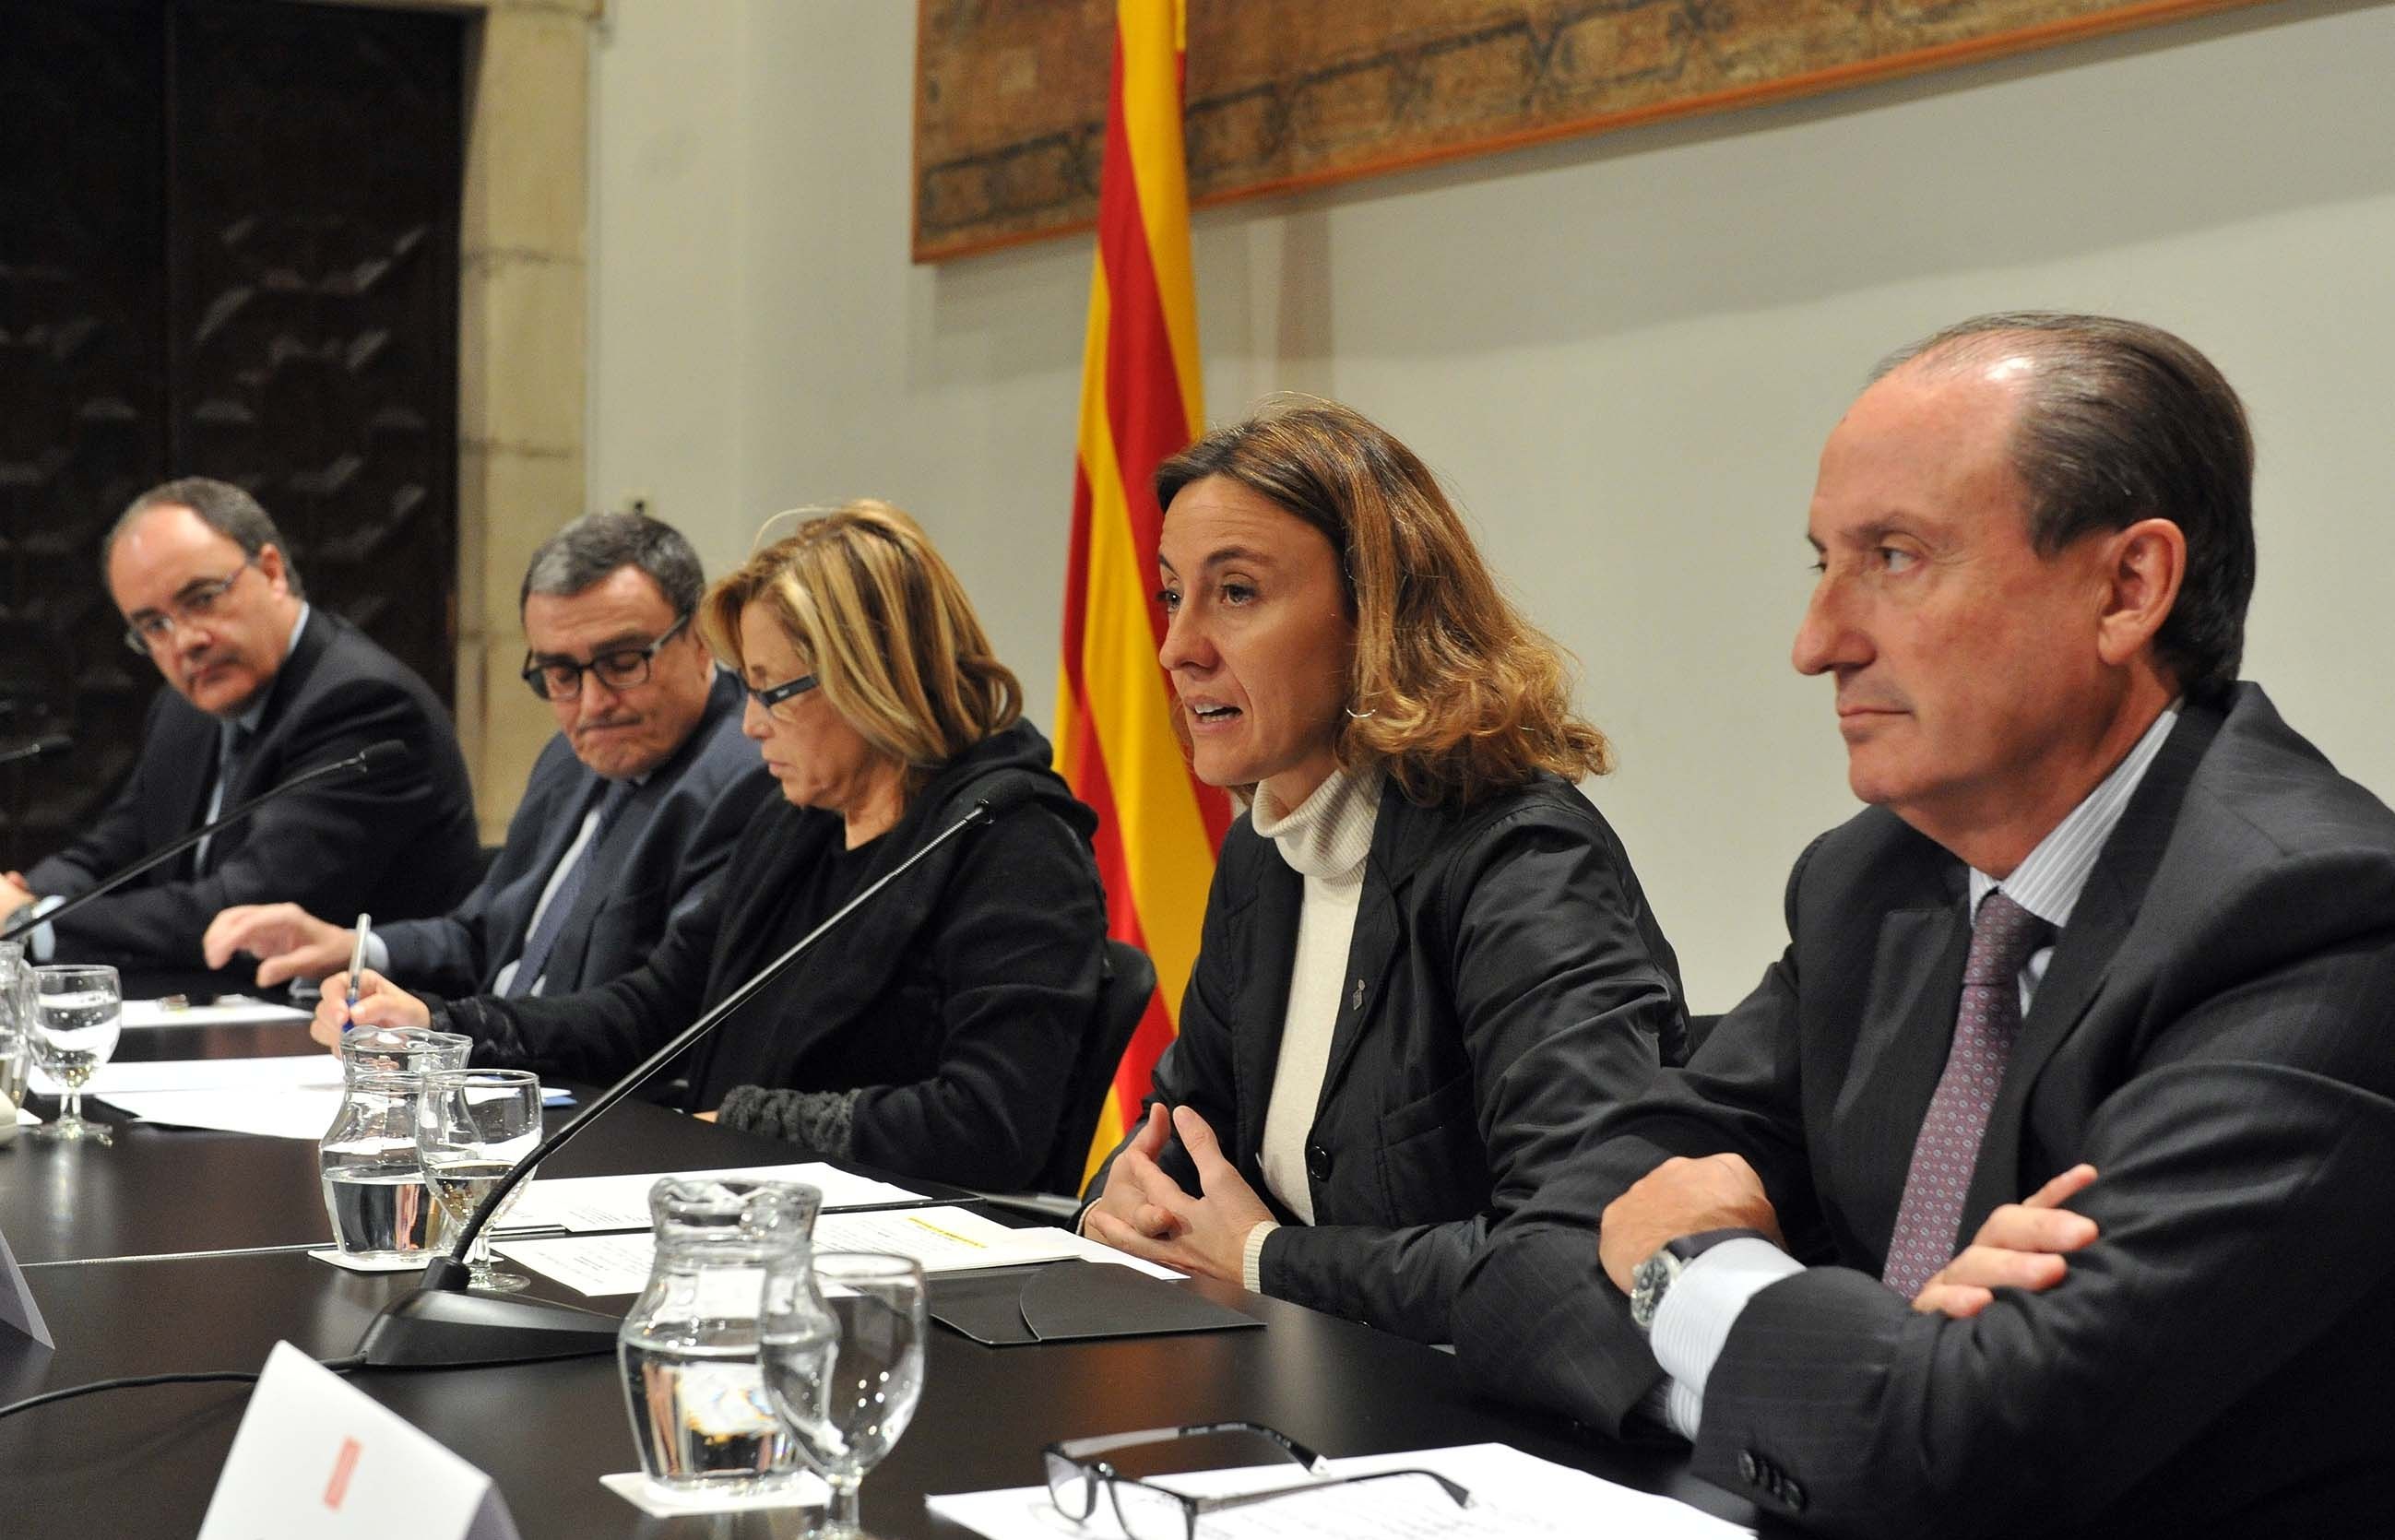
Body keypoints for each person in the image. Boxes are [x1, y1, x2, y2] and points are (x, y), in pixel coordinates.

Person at [1452, 314, 2395, 1537]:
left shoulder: (2314, 917)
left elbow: (1972, 1454)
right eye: (1823, 563)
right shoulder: (1879, 882)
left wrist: (1693, 1274)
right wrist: (1877, 1364)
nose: (1817, 643)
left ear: (2127, 587)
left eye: (1893, 556)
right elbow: (1523, 1273)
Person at [1080, 399, 1688, 1345]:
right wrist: (1118, 1201)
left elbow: (1577, 1254)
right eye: (1171, 594)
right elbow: (1178, 1131)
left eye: (1234, 592)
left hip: (1490, 1439)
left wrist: (1264, 1261)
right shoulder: (1264, 851)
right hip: (1299, 1391)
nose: (1176, 646)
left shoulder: (1519, 862)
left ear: (1376, 614)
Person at [316, 501, 1109, 1191]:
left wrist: (735, 1118)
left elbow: (989, 1124)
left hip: (903, 1256)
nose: (750, 722)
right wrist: (444, 1026)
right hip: (742, 1202)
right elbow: (649, 1011)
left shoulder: (1013, 846)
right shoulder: (798, 819)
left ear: (871, 679)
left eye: (773, 691)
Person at [202, 511, 773, 999]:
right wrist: (355, 948)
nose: (593, 703)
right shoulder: (568, 760)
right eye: (560, 673)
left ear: (699, 639)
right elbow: (484, 935)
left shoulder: (747, 774)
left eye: (623, 663)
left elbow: (648, 1011)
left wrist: (452, 1028)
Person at [2, 478, 480, 972]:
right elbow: (114, 853)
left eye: (202, 599)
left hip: (360, 1030)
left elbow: (243, 910)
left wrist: (36, 922)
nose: (185, 641)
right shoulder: (183, 709)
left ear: (272, 571)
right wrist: (25, 894)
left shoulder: (365, 705)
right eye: (154, 626)